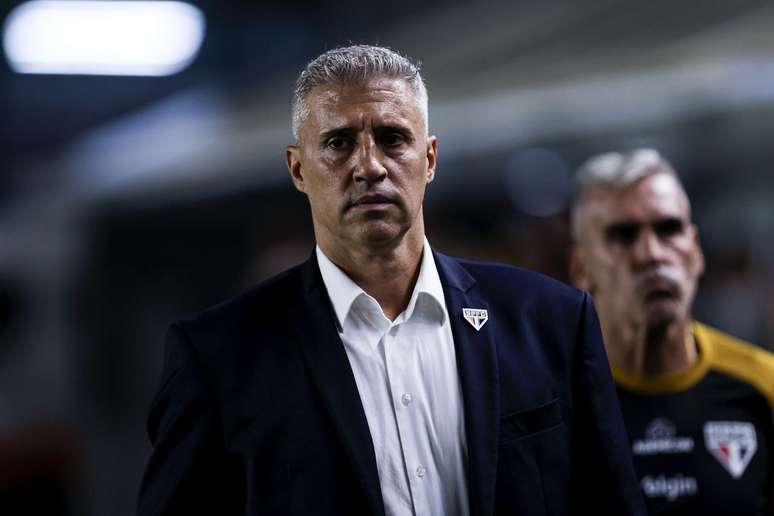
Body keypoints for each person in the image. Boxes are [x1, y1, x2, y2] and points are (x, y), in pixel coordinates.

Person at [138, 45, 645, 516]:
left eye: (392, 138)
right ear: (297, 169)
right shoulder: (217, 359)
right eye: (338, 143)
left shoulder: (551, 321)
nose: (369, 166)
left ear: (429, 159)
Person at [569, 148, 774, 516]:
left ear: (695, 251)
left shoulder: (763, 385)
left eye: (668, 229)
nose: (651, 254)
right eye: (623, 235)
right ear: (581, 268)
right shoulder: (556, 402)